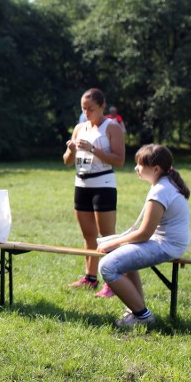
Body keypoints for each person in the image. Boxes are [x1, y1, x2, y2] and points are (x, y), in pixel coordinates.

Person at [97, 144, 190, 328]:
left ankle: (142, 316)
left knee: (107, 266)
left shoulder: (161, 190)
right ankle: (135, 311)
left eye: (139, 164)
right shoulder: (164, 184)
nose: (136, 168)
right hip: (168, 243)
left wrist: (113, 243)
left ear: (155, 169)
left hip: (166, 245)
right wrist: (117, 243)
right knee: (121, 254)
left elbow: (145, 233)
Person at [62, 88, 126, 297]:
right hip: (81, 185)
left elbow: (119, 160)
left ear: (102, 107)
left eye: (90, 109)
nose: (86, 112)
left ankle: (113, 282)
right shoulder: (80, 128)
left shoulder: (112, 127)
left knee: (107, 237)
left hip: (103, 184)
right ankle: (90, 278)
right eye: (83, 108)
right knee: (88, 235)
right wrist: (71, 149)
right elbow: (67, 161)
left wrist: (93, 149)